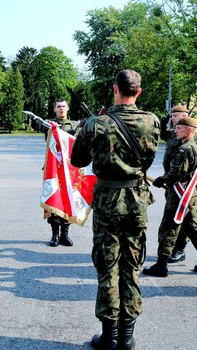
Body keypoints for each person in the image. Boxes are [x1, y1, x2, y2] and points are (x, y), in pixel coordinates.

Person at [70, 69, 160, 350]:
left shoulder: (96, 123)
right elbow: (148, 158)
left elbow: (78, 160)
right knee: (132, 265)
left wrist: (88, 128)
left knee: (108, 266)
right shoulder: (151, 121)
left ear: (115, 90)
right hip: (136, 200)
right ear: (139, 92)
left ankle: (109, 337)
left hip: (108, 201)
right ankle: (127, 337)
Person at [143, 116, 197, 277]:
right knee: (192, 228)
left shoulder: (185, 149)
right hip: (190, 193)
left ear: (189, 131)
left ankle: (161, 265)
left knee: (168, 229)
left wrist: (161, 180)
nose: (176, 130)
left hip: (180, 195)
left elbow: (175, 173)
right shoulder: (194, 146)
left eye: (179, 128)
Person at [43, 99, 78, 247]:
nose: (61, 109)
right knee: (55, 198)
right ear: (54, 109)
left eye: (64, 106)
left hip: (70, 169)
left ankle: (65, 234)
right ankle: (54, 235)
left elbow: (78, 143)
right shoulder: (50, 125)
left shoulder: (76, 125)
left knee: (68, 200)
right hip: (54, 168)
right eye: (58, 106)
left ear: (68, 108)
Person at [158, 105, 191, 263]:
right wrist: (166, 118)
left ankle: (179, 249)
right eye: (172, 116)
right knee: (180, 219)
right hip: (172, 184)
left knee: (182, 220)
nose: (173, 119)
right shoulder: (173, 134)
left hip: (185, 186)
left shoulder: (192, 135)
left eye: (176, 116)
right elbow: (162, 132)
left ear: (185, 115)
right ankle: (172, 248)